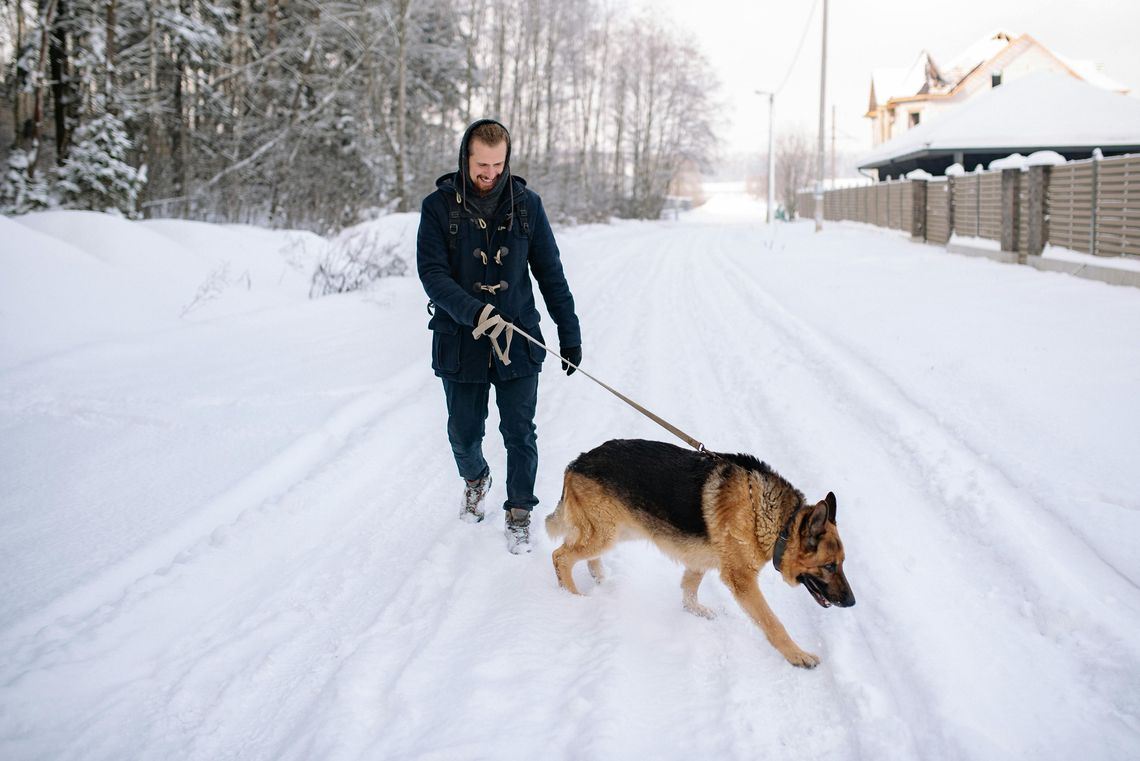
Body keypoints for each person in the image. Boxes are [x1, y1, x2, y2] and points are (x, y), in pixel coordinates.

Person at [417, 119, 582, 554]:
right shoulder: (438, 207)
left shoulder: (527, 205)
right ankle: (476, 479)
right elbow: (432, 274)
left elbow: (550, 273)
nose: (489, 174)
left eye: (497, 164)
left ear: (507, 159)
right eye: (481, 166)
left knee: (519, 433)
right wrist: (475, 311)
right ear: (464, 159)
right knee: (464, 434)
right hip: (460, 340)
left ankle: (520, 512)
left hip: (519, 340)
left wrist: (570, 331)